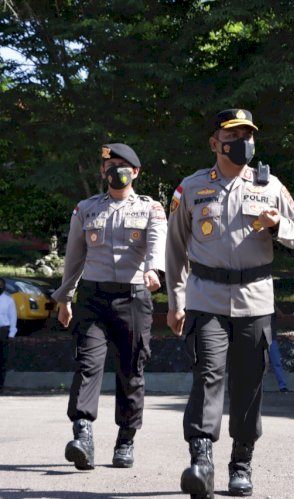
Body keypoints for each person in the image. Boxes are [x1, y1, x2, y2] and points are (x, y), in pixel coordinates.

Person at [165, 108, 294, 498]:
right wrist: (175, 301)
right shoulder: (192, 188)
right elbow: (175, 249)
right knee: (207, 375)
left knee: (248, 385)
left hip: (255, 301)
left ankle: (241, 462)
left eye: (249, 134)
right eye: (234, 135)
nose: (243, 142)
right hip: (206, 298)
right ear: (215, 143)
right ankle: (201, 460)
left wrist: (277, 224)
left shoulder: (270, 186)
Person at [52, 143, 167, 470]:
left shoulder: (151, 208)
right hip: (92, 298)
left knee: (131, 370)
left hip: (133, 296)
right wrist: (65, 298)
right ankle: (83, 435)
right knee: (87, 364)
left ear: (136, 172)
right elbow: (74, 258)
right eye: (110, 164)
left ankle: (126, 439)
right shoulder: (85, 209)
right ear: (102, 171)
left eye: (123, 164)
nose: (116, 169)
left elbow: (158, 242)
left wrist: (153, 270)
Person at [0, 278, 18, 391]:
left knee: (2, 359)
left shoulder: (8, 300)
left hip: (3, 331)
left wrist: (12, 333)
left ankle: (0, 385)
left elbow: (13, 317)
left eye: (1, 285)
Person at [268, 314, 288, 392]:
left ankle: (282, 386)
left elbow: (281, 315)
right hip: (262, 337)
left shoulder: (272, 310)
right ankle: (258, 387)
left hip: (272, 338)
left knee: (276, 363)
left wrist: (273, 305)